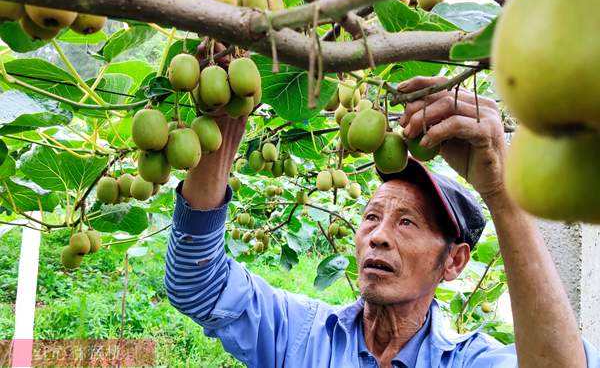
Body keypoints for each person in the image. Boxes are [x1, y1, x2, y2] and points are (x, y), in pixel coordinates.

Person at [164, 76, 600, 368]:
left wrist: (502, 195)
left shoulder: (469, 360)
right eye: (371, 216)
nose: (378, 236)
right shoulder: (303, 336)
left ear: (454, 263)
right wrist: (215, 145)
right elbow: (197, 286)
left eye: (407, 223)